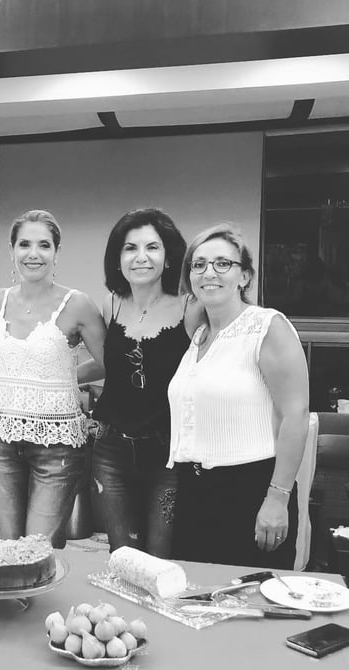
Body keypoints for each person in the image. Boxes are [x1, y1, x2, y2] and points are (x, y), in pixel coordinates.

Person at [167, 223, 309, 568]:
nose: (209, 272)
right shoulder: (199, 336)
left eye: (222, 263)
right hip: (193, 491)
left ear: (244, 276)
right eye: (199, 264)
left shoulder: (266, 326)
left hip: (251, 491)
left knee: (251, 597)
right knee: (196, 595)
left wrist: (277, 498)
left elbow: (296, 414)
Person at [0, 209, 106, 548]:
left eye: (44, 245)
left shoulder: (77, 304)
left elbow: (108, 364)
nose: (33, 253)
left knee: (38, 548)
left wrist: (64, 377)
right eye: (24, 244)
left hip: (56, 444)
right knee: (9, 545)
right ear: (11, 250)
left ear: (56, 252)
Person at [79, 208, 199, 558]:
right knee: (124, 556)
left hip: (168, 453)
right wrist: (58, 377)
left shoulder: (190, 308)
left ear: (169, 257)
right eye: (130, 248)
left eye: (152, 247)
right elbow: (110, 364)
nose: (140, 257)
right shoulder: (112, 304)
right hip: (111, 449)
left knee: (161, 557)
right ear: (117, 259)